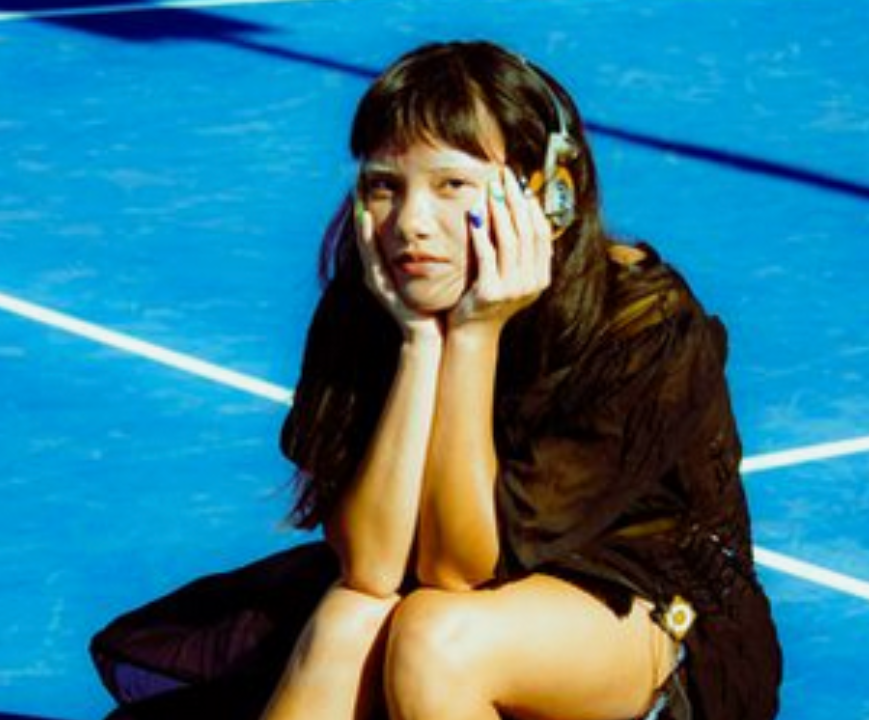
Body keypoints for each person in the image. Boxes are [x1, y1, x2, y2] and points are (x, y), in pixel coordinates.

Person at [91, 40, 782, 720]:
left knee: (436, 641)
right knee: (348, 623)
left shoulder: (639, 324)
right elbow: (370, 567)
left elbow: (456, 569)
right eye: (384, 186)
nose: (411, 224)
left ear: (550, 194)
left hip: (642, 609)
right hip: (453, 598)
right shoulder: (375, 294)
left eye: (452, 184)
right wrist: (420, 343)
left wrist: (476, 335)